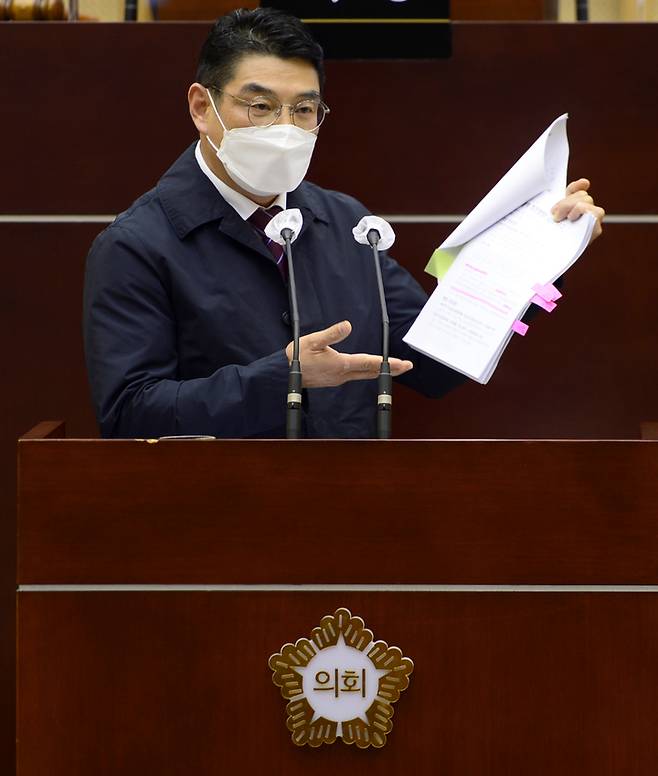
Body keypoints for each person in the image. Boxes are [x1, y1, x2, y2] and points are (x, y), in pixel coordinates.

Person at [83, 8, 605, 439]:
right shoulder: (136, 245)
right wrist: (284, 379)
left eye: (305, 110)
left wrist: (544, 260)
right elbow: (130, 414)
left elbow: (437, 362)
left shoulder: (343, 222)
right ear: (202, 107)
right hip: (218, 527)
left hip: (353, 519)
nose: (284, 128)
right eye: (260, 106)